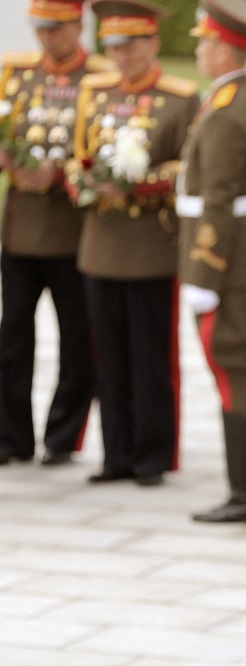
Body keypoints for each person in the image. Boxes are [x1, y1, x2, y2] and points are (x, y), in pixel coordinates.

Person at [64, 0, 200, 487]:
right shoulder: (94, 91)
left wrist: (140, 182)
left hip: (150, 245)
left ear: (152, 43)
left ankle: (152, 455)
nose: (122, 55)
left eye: (131, 44)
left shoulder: (180, 97)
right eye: (114, 45)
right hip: (101, 242)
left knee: (151, 357)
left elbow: (190, 165)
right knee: (108, 355)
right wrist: (85, 183)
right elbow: (76, 157)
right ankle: (116, 453)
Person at [177, 0, 246, 523]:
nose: (197, 50)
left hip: (228, 260)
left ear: (221, 47)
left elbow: (216, 196)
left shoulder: (227, 109)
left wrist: (203, 271)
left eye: (203, 41)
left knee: (234, 371)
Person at [0, 0, 110, 466]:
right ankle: (10, 438)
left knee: (77, 340)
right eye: (41, 28)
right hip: (21, 230)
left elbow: (112, 144)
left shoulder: (101, 77)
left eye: (57, 28)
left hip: (75, 233)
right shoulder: (16, 71)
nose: (47, 37)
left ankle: (62, 436)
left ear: (78, 25)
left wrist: (61, 171)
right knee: (12, 337)